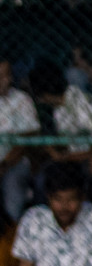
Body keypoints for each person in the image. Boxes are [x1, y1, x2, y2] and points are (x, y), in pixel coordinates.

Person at [0, 58, 40, 221]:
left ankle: (10, 236)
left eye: (7, 75)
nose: (6, 80)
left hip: (14, 163)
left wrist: (4, 165)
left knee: (13, 185)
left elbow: (28, 137)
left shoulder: (22, 100)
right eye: (0, 76)